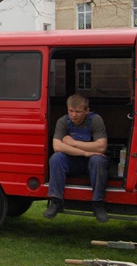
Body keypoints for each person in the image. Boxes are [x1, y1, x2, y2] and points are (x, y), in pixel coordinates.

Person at [43, 93, 109, 222]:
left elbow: (101, 147)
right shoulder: (63, 121)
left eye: (78, 112)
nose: (73, 115)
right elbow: (57, 146)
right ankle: (56, 201)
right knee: (56, 158)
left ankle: (98, 204)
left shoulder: (95, 120)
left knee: (98, 160)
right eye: (71, 111)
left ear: (87, 111)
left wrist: (73, 143)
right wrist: (85, 152)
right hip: (73, 161)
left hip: (92, 163)